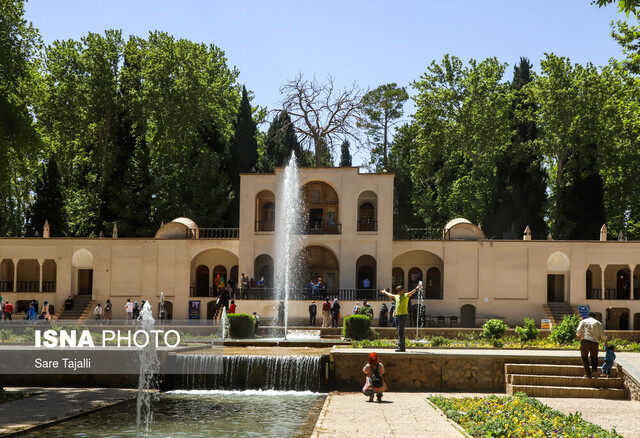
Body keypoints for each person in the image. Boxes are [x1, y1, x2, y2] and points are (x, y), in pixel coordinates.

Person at [379, 282, 422, 352]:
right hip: (397, 316)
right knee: (399, 332)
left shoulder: (406, 295)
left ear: (403, 290)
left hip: (403, 316)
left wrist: (416, 288)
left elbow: (411, 292)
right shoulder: (396, 296)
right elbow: (391, 295)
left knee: (400, 331)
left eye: (400, 290)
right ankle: (400, 346)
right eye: (398, 291)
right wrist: (385, 292)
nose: (399, 292)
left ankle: (402, 347)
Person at [576, 312, 607, 378]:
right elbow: (602, 334)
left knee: (584, 358)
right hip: (594, 343)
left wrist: (579, 335)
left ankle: (588, 374)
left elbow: (578, 330)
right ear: (594, 317)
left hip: (585, 342)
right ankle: (595, 371)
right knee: (594, 358)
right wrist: (605, 341)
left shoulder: (583, 321)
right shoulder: (598, 323)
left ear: (588, 316)